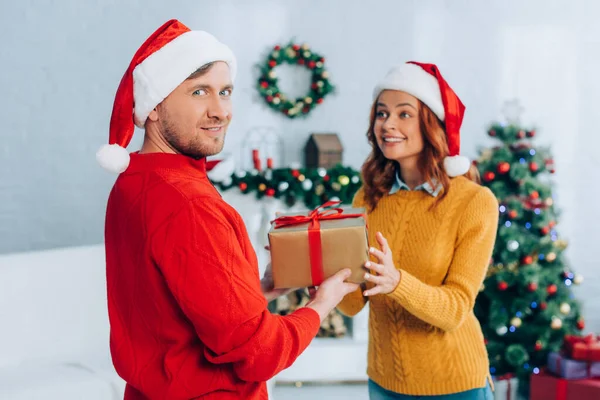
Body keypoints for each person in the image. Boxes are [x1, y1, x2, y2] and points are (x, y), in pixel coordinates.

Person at [97, 19, 358, 400]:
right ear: (153, 107)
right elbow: (260, 353)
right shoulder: (189, 203)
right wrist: (321, 305)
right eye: (199, 91)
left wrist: (260, 290)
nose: (221, 111)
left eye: (226, 91)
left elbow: (175, 312)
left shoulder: (134, 181)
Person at [337, 62, 498, 400]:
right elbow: (353, 304)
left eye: (404, 114)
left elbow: (456, 309)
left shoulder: (474, 202)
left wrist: (397, 283)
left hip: (455, 385)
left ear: (431, 125)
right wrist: (317, 276)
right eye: (381, 114)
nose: (388, 124)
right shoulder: (367, 198)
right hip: (384, 382)